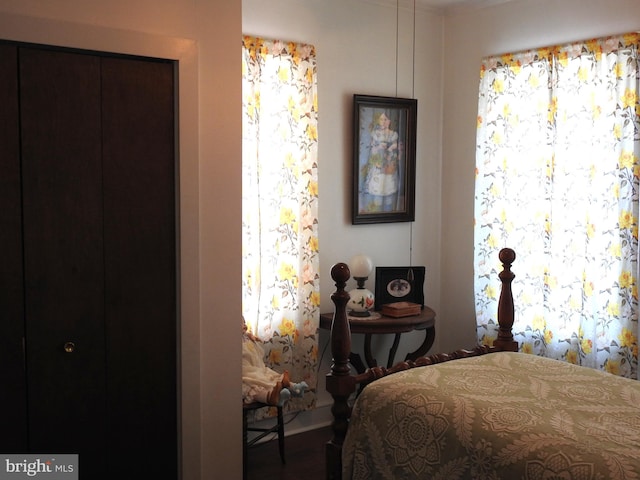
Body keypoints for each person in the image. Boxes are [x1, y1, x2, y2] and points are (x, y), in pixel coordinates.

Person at [242, 318, 308, 406]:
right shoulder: (231, 340)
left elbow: (248, 335)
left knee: (270, 375)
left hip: (258, 367)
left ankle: (294, 387)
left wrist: (251, 336)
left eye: (244, 323)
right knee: (255, 384)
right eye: (241, 324)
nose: (244, 326)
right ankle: (271, 397)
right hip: (246, 370)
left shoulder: (245, 336)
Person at [362, 111, 400, 212]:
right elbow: (372, 147)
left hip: (388, 164)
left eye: (385, 119)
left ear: (389, 121)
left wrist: (390, 148)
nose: (383, 122)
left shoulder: (393, 134)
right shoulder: (376, 134)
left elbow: (395, 145)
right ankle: (376, 212)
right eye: (381, 119)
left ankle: (388, 211)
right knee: (377, 190)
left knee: (388, 189)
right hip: (378, 164)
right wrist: (379, 147)